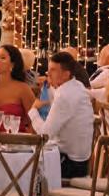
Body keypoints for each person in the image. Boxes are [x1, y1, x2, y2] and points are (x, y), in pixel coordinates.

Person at [29, 51, 94, 179]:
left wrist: (33, 110)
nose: (48, 74)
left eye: (53, 70)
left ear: (66, 74)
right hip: (83, 163)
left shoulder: (64, 95)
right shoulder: (78, 86)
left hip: (69, 165)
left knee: (26, 165)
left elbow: (45, 135)